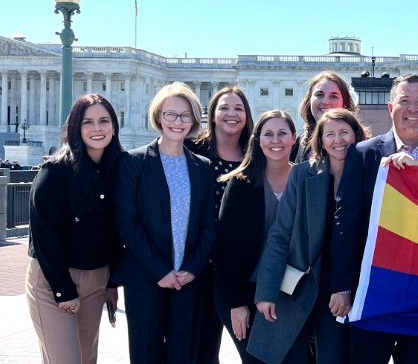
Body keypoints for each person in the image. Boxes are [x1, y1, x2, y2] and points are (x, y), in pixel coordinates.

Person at [333, 74, 418, 364]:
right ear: (390, 107)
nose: (413, 109)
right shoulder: (364, 154)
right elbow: (345, 224)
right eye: (405, 101)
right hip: (374, 288)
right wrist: (343, 286)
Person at [115, 82, 218, 364]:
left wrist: (193, 268)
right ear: (159, 116)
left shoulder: (202, 166)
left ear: (194, 120)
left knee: (183, 355)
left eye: (185, 115)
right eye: (171, 114)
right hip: (146, 277)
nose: (178, 121)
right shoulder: (134, 162)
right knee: (146, 353)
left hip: (187, 279)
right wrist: (160, 270)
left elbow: (209, 225)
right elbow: (127, 222)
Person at [250, 109, 364, 364]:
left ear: (356, 135)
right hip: (299, 284)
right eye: (330, 134)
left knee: (332, 357)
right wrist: (266, 291)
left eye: (344, 132)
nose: (338, 140)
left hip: (343, 286)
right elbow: (280, 235)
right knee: (291, 356)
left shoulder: (369, 174)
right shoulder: (302, 175)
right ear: (320, 140)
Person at [26, 93, 124, 364]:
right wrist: (63, 290)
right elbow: (44, 237)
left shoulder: (120, 170)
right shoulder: (54, 172)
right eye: (87, 122)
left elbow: (116, 233)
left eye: (104, 121)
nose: (97, 129)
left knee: (86, 359)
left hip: (97, 280)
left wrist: (112, 282)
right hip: (52, 280)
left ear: (114, 126)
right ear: (75, 128)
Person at [212, 110, 297, 364]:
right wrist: (237, 304)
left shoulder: (305, 179)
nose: (276, 140)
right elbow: (226, 249)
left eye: (282, 133)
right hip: (243, 289)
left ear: (294, 137)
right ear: (258, 140)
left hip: (288, 292)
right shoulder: (241, 183)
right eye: (268, 134)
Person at [190, 86, 254, 363]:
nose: (231, 114)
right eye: (224, 108)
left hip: (239, 267)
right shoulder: (192, 151)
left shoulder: (254, 155)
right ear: (212, 114)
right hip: (199, 263)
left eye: (238, 108)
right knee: (203, 349)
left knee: (251, 348)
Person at [296, 71, 358, 162]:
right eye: (319, 95)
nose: (325, 102)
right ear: (309, 100)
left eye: (333, 96)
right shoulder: (299, 143)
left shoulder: (361, 142)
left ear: (345, 103)